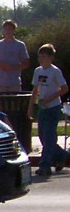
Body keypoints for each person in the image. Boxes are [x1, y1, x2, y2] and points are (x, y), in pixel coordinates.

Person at [27, 44, 69, 177]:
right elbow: (35, 90)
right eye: (40, 57)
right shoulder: (38, 71)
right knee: (43, 136)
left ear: (51, 58)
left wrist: (50, 99)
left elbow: (64, 88)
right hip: (42, 108)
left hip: (53, 108)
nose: (41, 59)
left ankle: (45, 165)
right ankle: (62, 155)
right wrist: (30, 107)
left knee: (49, 136)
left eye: (44, 57)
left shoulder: (55, 71)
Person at [0, 19, 29, 92]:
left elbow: (26, 64)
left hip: (14, 82)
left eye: (10, 29)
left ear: (14, 30)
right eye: (6, 29)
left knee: (14, 103)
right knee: (0, 102)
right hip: (0, 82)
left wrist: (11, 67)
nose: (8, 31)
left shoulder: (20, 45)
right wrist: (1, 65)